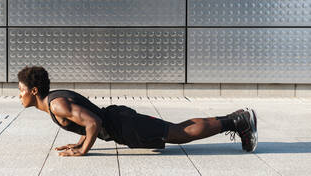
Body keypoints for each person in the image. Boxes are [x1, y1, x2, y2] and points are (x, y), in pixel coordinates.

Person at [17, 66, 257, 157]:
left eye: (21, 90)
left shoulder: (56, 105)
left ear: (34, 90)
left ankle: (237, 121)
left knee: (180, 133)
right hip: (119, 120)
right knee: (177, 130)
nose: (19, 95)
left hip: (124, 126)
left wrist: (83, 151)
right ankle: (236, 119)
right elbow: (88, 119)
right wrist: (79, 143)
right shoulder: (55, 100)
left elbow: (92, 122)